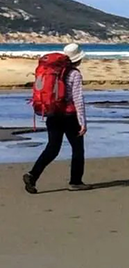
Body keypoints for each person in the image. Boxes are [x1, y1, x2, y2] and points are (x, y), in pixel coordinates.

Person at [23, 43, 90, 193]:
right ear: (78, 59)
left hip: (52, 113)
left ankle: (32, 175)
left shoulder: (50, 71)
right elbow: (78, 99)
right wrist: (83, 122)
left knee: (52, 148)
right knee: (78, 149)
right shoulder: (75, 74)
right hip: (69, 116)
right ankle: (75, 182)